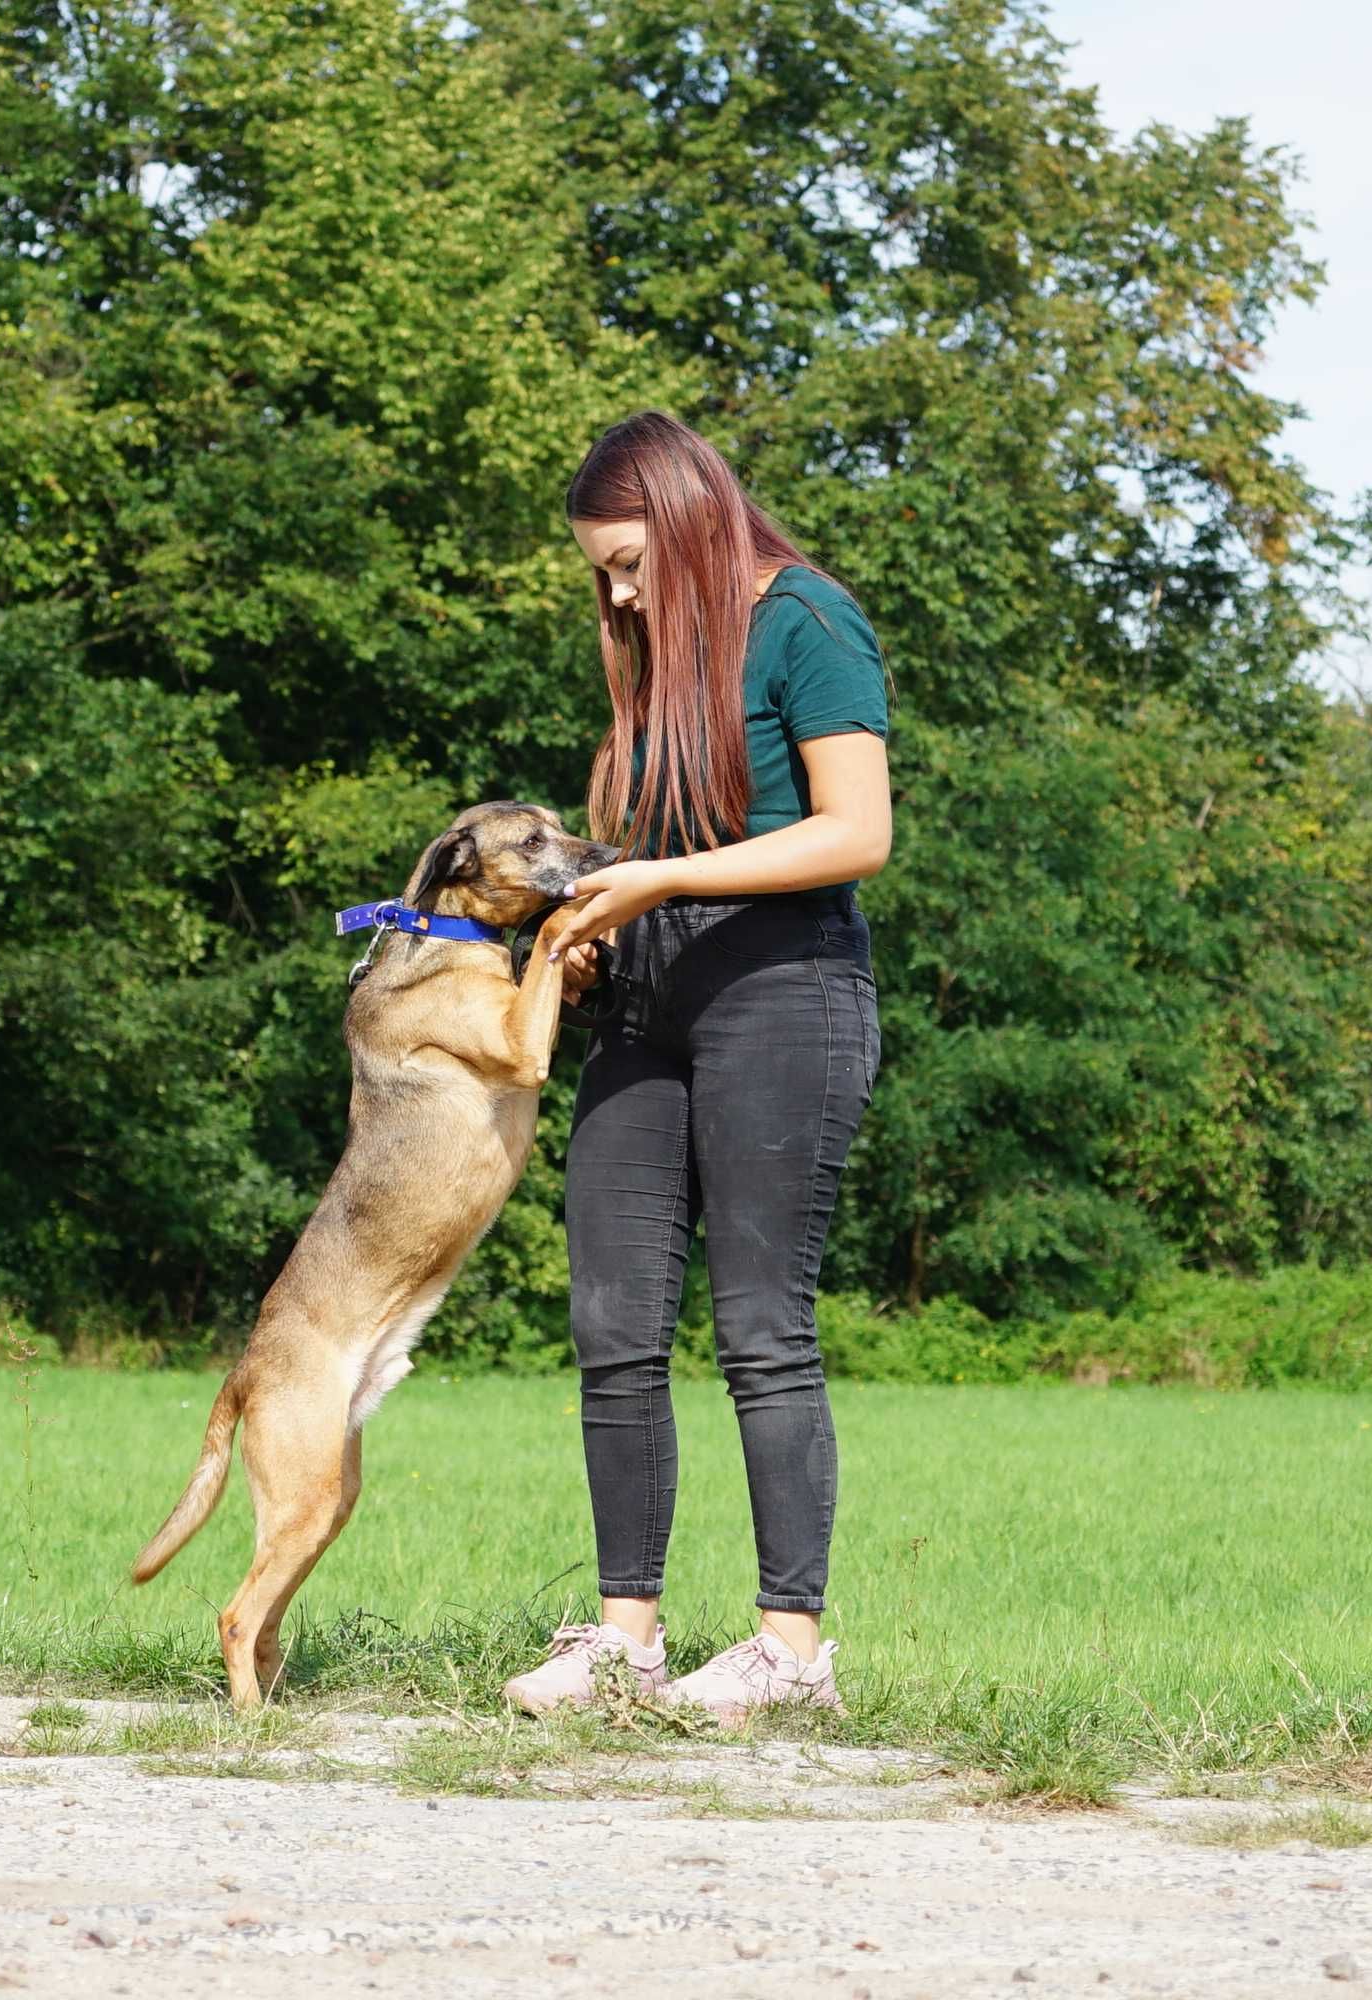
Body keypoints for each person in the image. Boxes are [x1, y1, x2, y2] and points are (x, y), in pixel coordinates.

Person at [500, 410, 891, 1724]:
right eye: (600, 571)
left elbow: (857, 831)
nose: (614, 592)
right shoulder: (662, 659)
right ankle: (627, 1640)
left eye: (626, 561)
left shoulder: (809, 624)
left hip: (785, 986)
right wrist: (605, 932)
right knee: (614, 1325)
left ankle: (792, 1655)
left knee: (759, 1328)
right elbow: (653, 838)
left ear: (689, 517)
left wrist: (660, 877)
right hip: (653, 999)